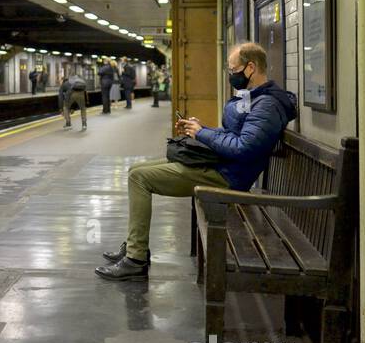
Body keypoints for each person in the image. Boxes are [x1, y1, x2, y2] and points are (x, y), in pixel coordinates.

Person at [95, 42, 297, 280]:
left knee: (139, 178)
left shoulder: (267, 105)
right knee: (135, 169)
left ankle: (136, 258)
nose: (231, 75)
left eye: (233, 70)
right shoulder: (252, 98)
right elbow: (235, 136)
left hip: (228, 177)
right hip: (220, 165)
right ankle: (134, 244)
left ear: (250, 68)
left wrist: (201, 133)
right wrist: (200, 128)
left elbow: (243, 148)